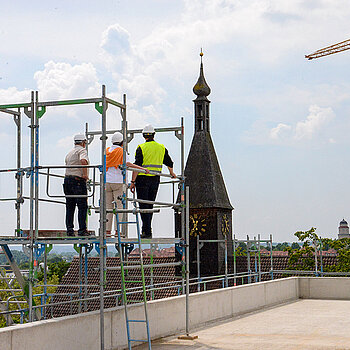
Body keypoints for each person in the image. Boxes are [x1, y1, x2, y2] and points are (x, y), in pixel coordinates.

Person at [130, 124, 176, 238]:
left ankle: (146, 231)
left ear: (143, 135)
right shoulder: (161, 147)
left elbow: (137, 165)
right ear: (153, 135)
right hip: (155, 179)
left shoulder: (141, 147)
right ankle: (147, 230)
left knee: (143, 205)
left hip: (142, 179)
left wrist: (132, 181)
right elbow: (169, 162)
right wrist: (171, 173)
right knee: (150, 205)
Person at [106, 132, 149, 237]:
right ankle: (117, 231)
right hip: (119, 182)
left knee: (108, 208)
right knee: (119, 207)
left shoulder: (107, 151)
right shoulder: (121, 151)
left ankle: (107, 231)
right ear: (122, 142)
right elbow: (128, 164)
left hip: (106, 182)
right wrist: (142, 169)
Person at [63, 134, 90, 236]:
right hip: (77, 181)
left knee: (70, 206)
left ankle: (69, 230)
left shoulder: (70, 152)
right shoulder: (82, 151)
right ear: (83, 142)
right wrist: (85, 174)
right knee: (82, 206)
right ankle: (82, 230)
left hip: (67, 181)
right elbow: (83, 160)